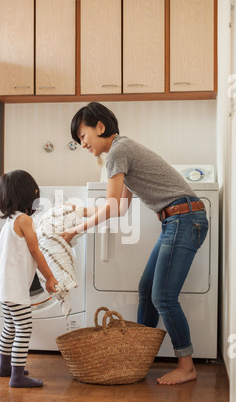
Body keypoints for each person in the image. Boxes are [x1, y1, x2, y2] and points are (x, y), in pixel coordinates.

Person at [61, 102, 209, 386]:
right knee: (147, 290)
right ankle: (138, 356)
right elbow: (119, 207)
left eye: (82, 136)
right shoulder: (123, 152)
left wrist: (76, 230)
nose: (82, 144)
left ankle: (187, 365)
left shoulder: (118, 152)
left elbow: (112, 206)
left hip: (184, 220)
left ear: (100, 127)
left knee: (164, 298)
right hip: (179, 220)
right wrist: (82, 213)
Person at [0, 170, 58, 388]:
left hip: (3, 286)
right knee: (24, 328)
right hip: (14, 286)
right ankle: (17, 376)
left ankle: (5, 367)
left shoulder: (9, 221)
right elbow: (35, 251)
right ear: (31, 193)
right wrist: (49, 277)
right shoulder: (24, 220)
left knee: (10, 326)